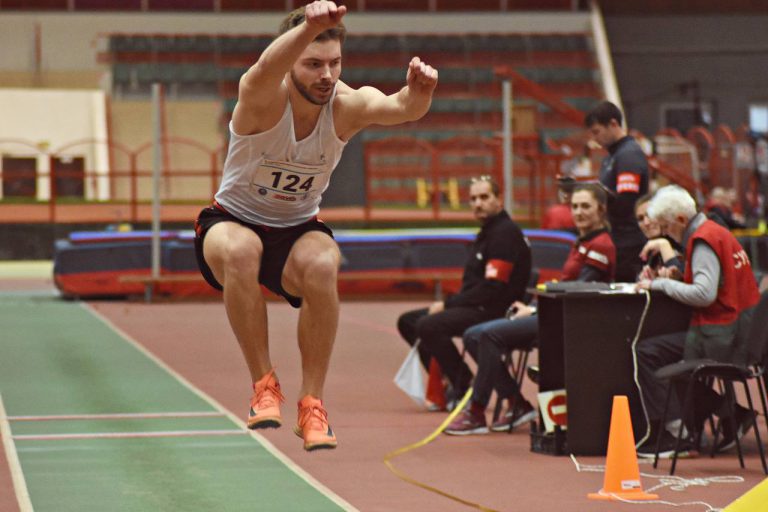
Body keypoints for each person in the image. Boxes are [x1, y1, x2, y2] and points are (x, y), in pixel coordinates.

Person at [193, 1, 438, 451]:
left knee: (326, 262)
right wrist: (308, 26)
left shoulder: (346, 106)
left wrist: (420, 92)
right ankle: (264, 385)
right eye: (312, 64)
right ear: (292, 62)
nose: (326, 75)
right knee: (242, 250)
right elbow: (265, 67)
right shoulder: (264, 96)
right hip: (232, 220)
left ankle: (312, 403)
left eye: (334, 63)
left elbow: (402, 107)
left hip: (295, 229)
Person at [445, 183, 616, 435]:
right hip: (551, 313)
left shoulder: (600, 244)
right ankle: (516, 403)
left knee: (487, 335)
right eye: (575, 206)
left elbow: (579, 290)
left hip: (566, 320)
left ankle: (477, 411)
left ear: (601, 210)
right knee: (472, 335)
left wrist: (535, 311)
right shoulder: (583, 241)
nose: (579, 212)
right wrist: (532, 305)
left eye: (585, 206)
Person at [634, 185, 760, 457]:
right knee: (668, 357)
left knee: (647, 353)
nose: (666, 233)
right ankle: (730, 413)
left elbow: (704, 294)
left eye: (667, 226)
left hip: (725, 335)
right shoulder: (716, 231)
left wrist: (659, 284)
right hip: (740, 330)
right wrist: (679, 278)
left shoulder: (703, 239)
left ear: (681, 219)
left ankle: (675, 435)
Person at [396, 176, 532, 411]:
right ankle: (452, 380)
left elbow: (492, 289)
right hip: (476, 305)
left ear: (499, 200)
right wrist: (453, 303)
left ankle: (464, 384)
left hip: (494, 310)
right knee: (408, 322)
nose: (478, 203)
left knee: (429, 325)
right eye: (473, 199)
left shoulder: (504, 234)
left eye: (484, 197)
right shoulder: (488, 231)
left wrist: (448, 304)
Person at [585, 101, 649, 282]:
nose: (594, 139)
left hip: (629, 242)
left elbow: (627, 203)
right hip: (616, 238)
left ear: (613, 124)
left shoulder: (628, 155)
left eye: (597, 132)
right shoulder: (611, 157)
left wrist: (597, 201)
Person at [635, 193, 684, 281]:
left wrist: (663, 245)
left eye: (650, 215)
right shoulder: (647, 248)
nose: (646, 223)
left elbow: (683, 280)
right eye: (640, 219)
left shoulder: (681, 241)